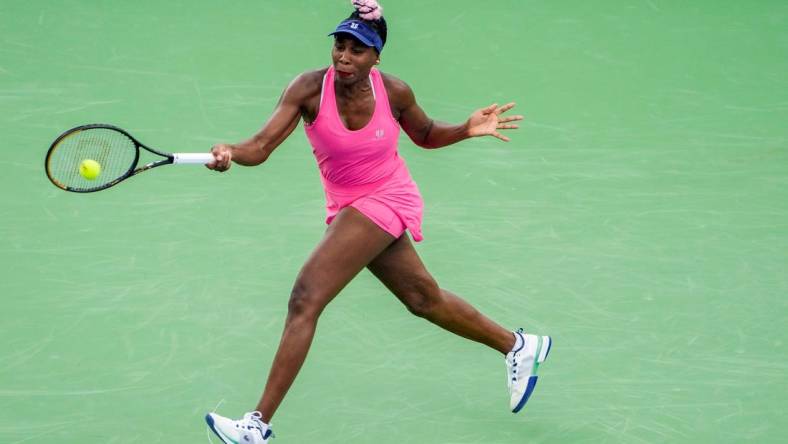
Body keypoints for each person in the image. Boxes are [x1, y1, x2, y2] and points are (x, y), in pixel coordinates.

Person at [204, 1, 551, 442]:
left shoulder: (395, 92)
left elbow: (424, 134)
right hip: (346, 204)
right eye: (340, 46)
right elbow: (260, 146)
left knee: (305, 298)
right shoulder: (309, 89)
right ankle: (518, 346)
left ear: (376, 56)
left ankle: (257, 424)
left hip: (386, 197)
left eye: (358, 49)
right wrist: (230, 151)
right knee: (423, 299)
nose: (345, 57)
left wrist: (465, 128)